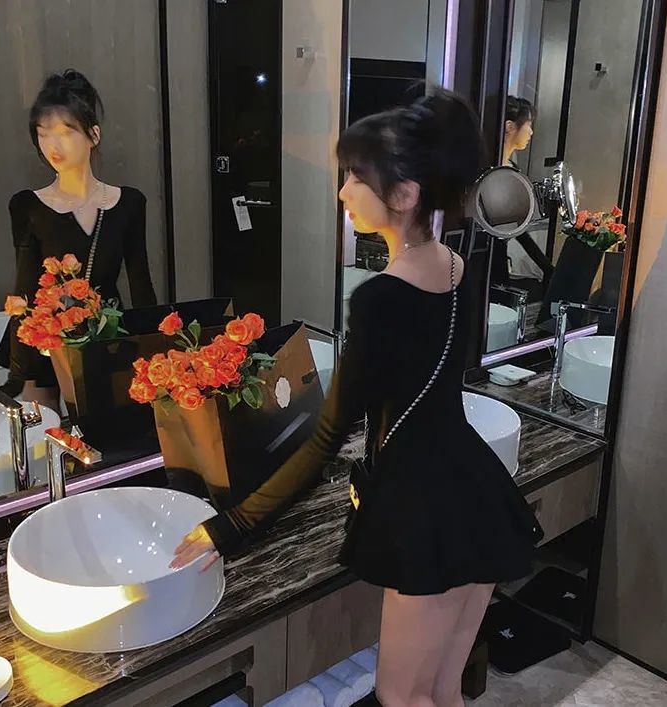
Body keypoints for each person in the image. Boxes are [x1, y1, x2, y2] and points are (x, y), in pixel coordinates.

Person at [172, 88, 541, 706]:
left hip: (425, 513)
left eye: (355, 177)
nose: (342, 191)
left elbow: (327, 436)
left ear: (404, 193)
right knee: (442, 690)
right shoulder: (456, 267)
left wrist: (231, 526)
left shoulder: (380, 298)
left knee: (402, 695)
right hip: (478, 493)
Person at [0, 69, 157, 407]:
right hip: (48, 344)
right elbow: (24, 291)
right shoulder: (29, 206)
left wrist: (155, 354)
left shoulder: (128, 203)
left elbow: (142, 287)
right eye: (43, 134)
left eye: (64, 132)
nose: (52, 145)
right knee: (46, 432)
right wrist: (18, 375)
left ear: (93, 134)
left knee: (109, 431)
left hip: (107, 338)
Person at [493, 95, 554, 287]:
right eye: (528, 125)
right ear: (510, 126)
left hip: (499, 255)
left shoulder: (512, 169)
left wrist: (545, 266)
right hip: (487, 257)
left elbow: (517, 227)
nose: (531, 132)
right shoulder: (492, 171)